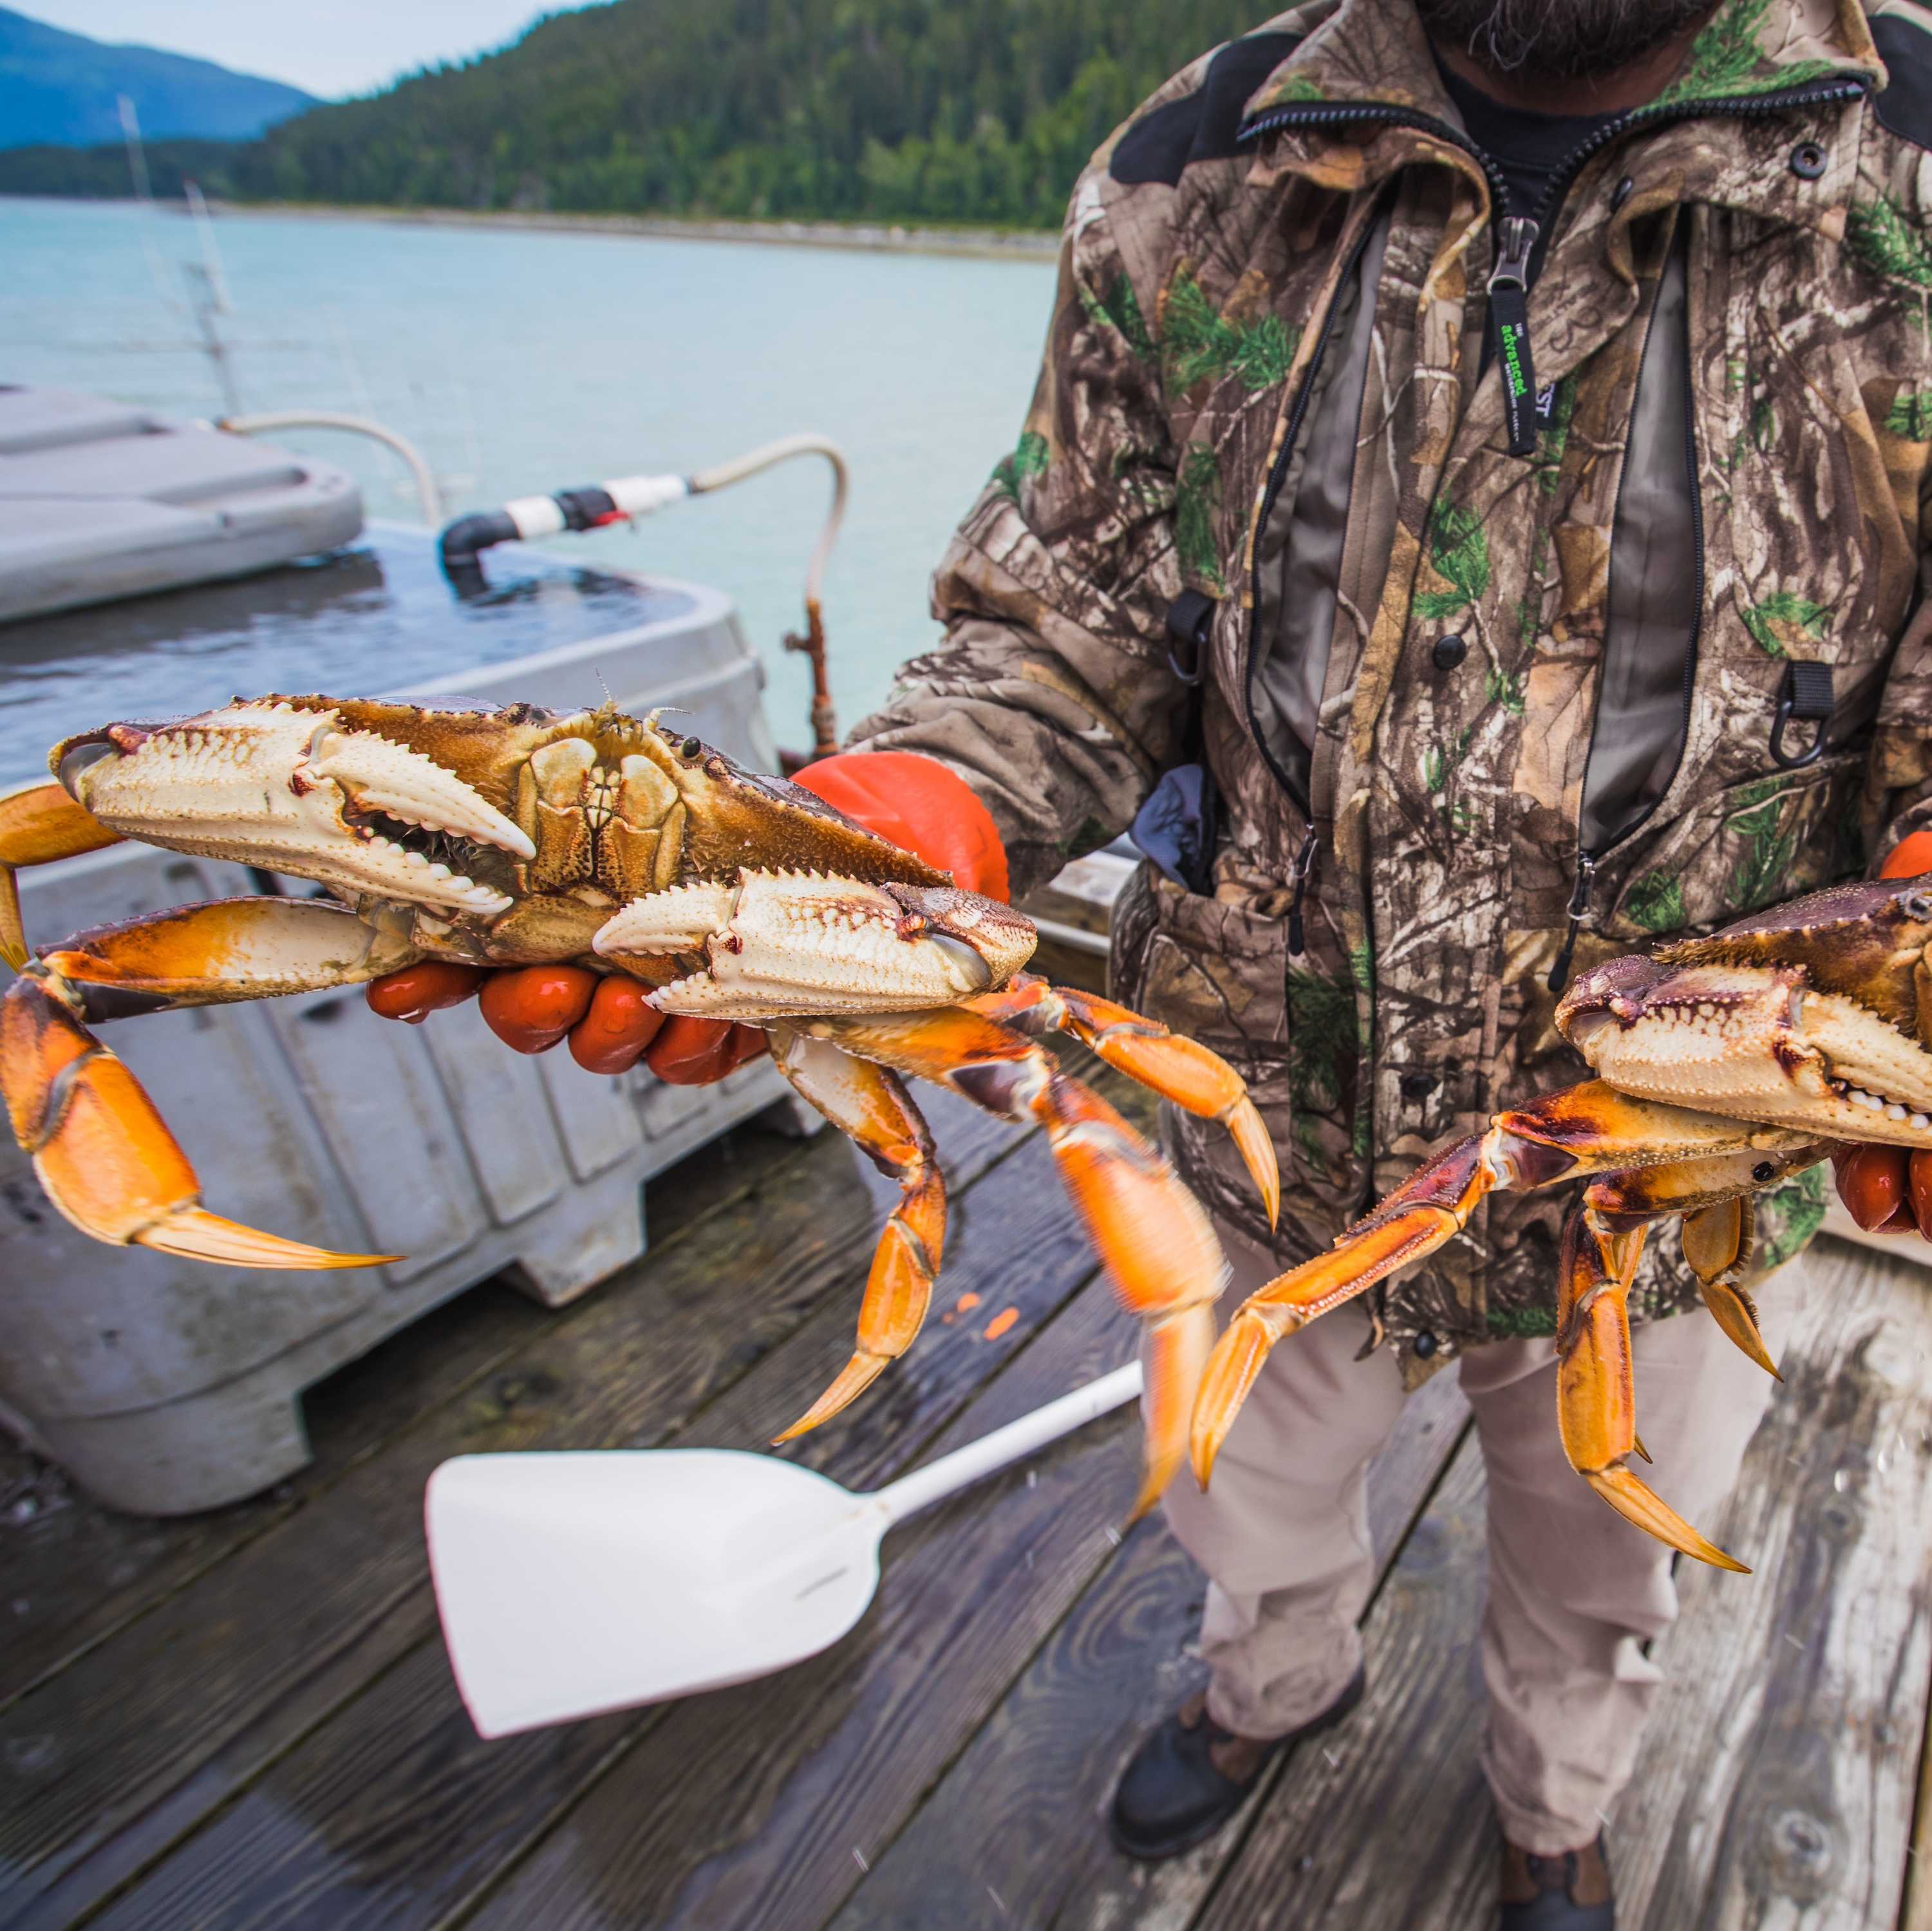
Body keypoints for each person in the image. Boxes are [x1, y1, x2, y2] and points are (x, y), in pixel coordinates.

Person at [371, 2, 1932, 1921]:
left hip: (1685, 1162)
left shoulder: (1919, 160)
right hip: (1260, 1123)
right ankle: (1269, 1687)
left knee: (1611, 1558)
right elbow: (1068, 630)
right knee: (1237, 1492)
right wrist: (903, 821)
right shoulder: (1204, 156)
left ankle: (1552, 1809)